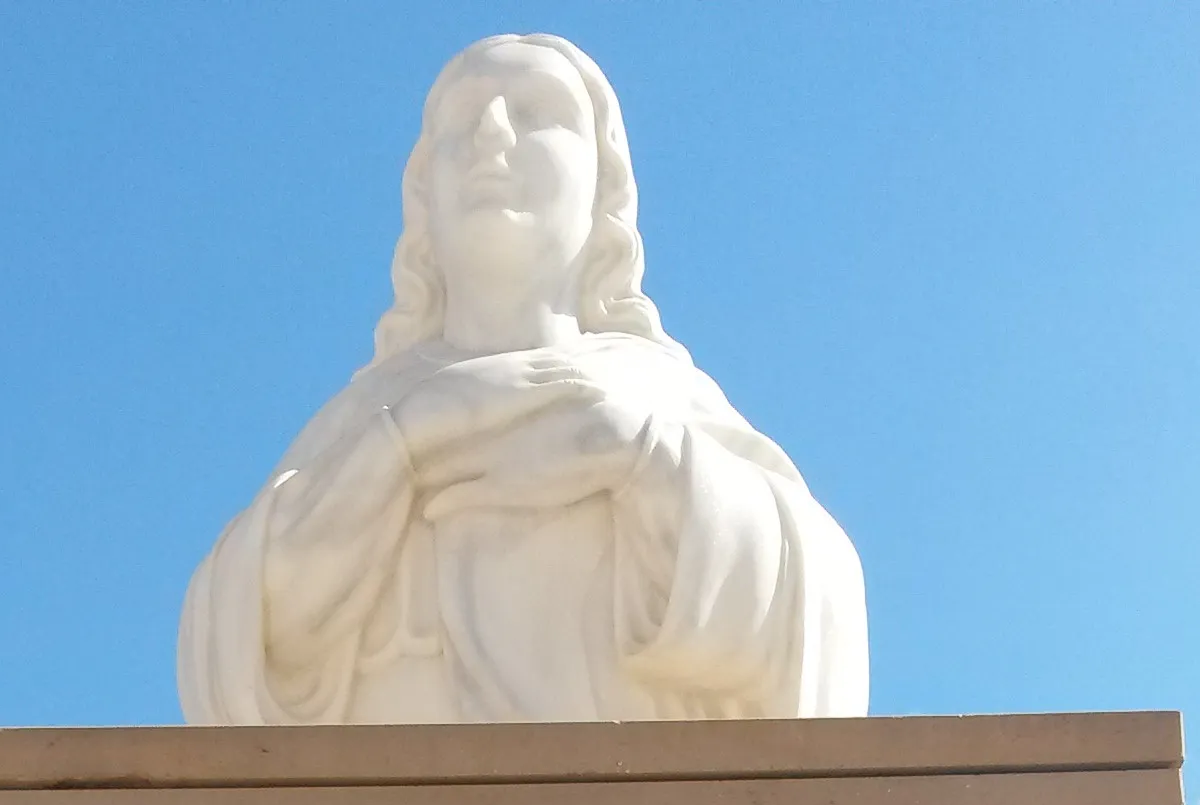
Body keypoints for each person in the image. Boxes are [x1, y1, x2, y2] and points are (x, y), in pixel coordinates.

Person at [178, 32, 869, 727]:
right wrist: (401, 446)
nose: (493, 134)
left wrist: (640, 454)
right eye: (461, 122)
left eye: (538, 113)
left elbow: (815, 611)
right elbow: (240, 640)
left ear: (602, 190)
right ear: (424, 196)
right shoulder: (366, 417)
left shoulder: (658, 400)